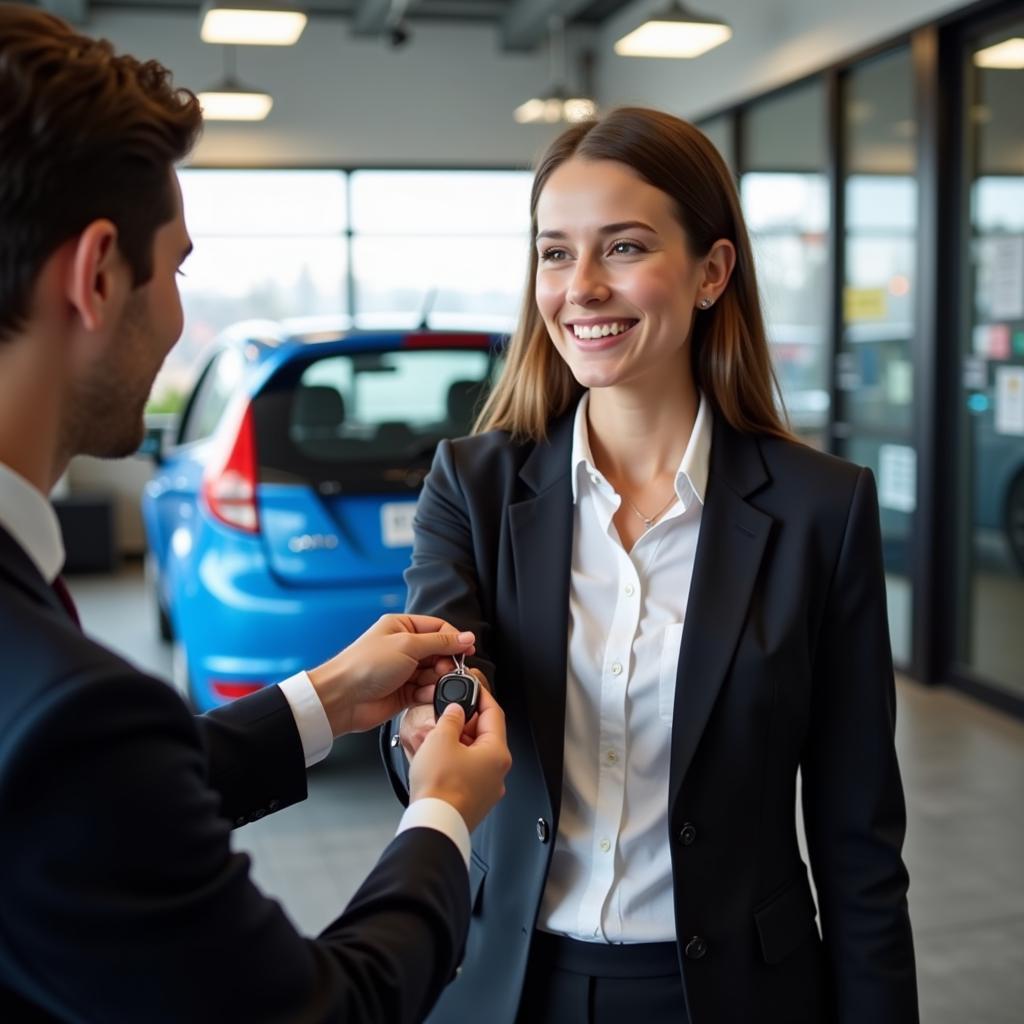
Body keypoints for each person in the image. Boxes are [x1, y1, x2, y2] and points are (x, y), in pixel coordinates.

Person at [0, 6, 511, 1022]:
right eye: (178, 266)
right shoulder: (74, 704)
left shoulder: (63, 706)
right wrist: (444, 814)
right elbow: (323, 1008)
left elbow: (80, 809)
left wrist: (318, 697)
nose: (180, 310)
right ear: (99, 273)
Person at [382, 107, 918, 1024]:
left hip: (739, 995)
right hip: (509, 986)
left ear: (712, 272)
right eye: (556, 253)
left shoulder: (822, 509)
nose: (582, 287)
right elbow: (439, 723)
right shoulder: (471, 487)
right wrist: (422, 723)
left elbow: (857, 833)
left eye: (623, 248)